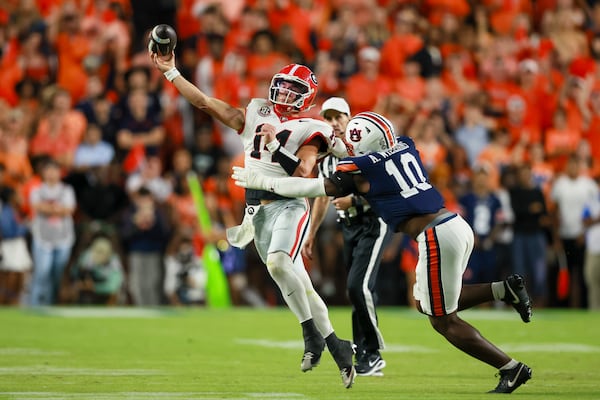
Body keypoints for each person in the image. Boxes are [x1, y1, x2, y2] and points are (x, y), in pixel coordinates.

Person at [233, 111, 534, 394]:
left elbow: (314, 188)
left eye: (354, 143)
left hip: (435, 236)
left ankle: (511, 368)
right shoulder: (405, 145)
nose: (350, 148)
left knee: (443, 321)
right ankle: (503, 290)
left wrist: (263, 181)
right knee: (425, 302)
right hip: (454, 224)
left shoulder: (361, 168)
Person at [150, 51, 356, 388]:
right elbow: (204, 102)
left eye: (294, 89)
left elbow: (303, 172)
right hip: (256, 210)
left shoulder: (312, 127)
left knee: (277, 264)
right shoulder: (257, 110)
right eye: (283, 86)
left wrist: (276, 146)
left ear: (306, 96)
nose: (286, 93)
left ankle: (310, 334)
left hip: (290, 205)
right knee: (300, 284)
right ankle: (337, 345)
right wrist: (172, 72)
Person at [304, 97, 390, 376]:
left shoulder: (365, 147)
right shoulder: (327, 157)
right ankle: (366, 352)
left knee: (358, 287)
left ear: (350, 118)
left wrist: (355, 201)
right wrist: (312, 232)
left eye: (338, 117)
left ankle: (373, 351)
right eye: (327, 119)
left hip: (373, 221)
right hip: (349, 226)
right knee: (359, 290)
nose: (333, 124)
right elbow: (321, 197)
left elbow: (386, 187)